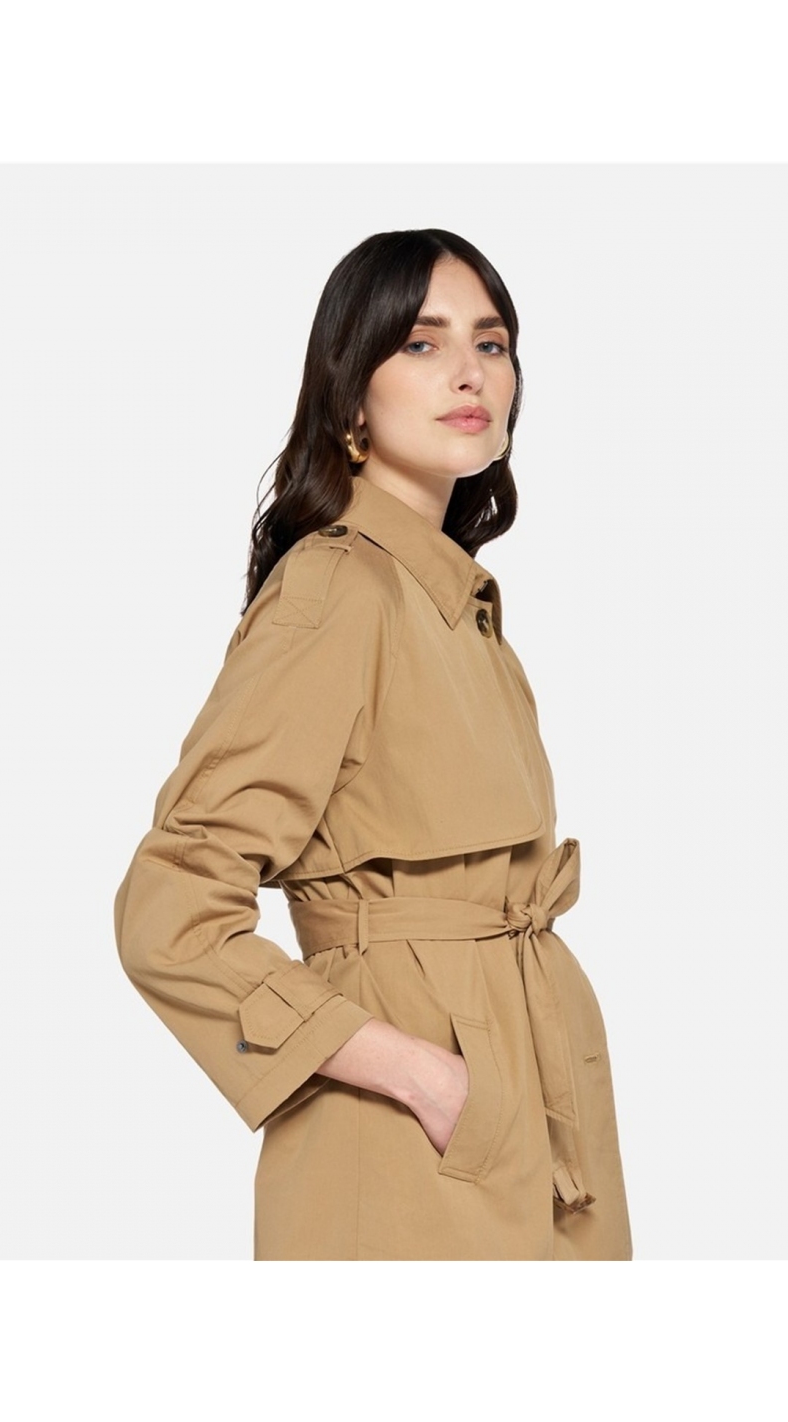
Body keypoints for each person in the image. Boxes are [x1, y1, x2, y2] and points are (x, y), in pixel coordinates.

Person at [114, 228, 633, 1261]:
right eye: (421, 343)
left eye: (491, 343)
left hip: (531, 1108)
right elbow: (170, 910)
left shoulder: (455, 606)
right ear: (350, 398)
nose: (468, 372)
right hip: (404, 1141)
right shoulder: (337, 590)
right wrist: (420, 1076)